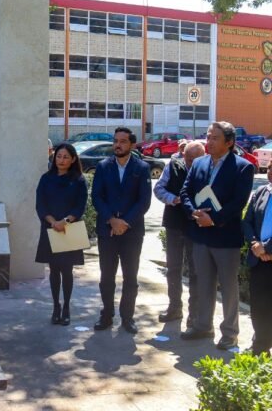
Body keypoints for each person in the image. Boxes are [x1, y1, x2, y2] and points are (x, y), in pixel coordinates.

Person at [180, 122, 254, 350]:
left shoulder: (242, 167)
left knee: (228, 287)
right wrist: (193, 212)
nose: (208, 142)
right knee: (203, 283)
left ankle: (230, 333)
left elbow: (238, 202)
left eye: (214, 138)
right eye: (208, 137)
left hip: (225, 238)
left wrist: (213, 219)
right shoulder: (199, 162)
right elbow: (185, 191)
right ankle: (203, 326)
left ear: (229, 142)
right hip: (200, 235)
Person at [92, 127, 152, 334]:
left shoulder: (142, 168)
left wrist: (124, 222)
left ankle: (128, 317)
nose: (118, 145)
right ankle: (106, 314)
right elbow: (97, 197)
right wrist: (111, 220)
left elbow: (143, 202)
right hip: (107, 231)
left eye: (123, 141)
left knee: (130, 277)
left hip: (132, 232)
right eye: (115, 141)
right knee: (106, 276)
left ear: (132, 145)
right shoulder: (102, 167)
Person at [35, 143, 88, 326]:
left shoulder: (79, 180)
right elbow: (40, 205)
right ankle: (56, 307)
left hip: (69, 229)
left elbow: (80, 206)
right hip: (50, 229)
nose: (61, 160)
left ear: (73, 159)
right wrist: (53, 222)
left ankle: (66, 308)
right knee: (54, 270)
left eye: (66, 157)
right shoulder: (46, 179)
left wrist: (65, 221)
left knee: (67, 270)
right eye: (59, 156)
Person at [153, 141, 205, 325]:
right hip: (174, 224)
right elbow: (158, 189)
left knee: (196, 271)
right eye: (188, 159)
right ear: (183, 155)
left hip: (196, 227)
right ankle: (174, 308)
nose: (191, 163)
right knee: (173, 269)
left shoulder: (207, 169)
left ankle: (194, 314)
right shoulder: (173, 166)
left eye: (195, 160)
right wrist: (172, 199)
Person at [242, 168, 272, 355]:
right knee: (260, 306)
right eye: (270, 169)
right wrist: (255, 244)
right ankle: (260, 346)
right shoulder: (262, 192)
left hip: (266, 253)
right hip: (259, 260)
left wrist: (268, 248)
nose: (271, 173)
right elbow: (247, 221)